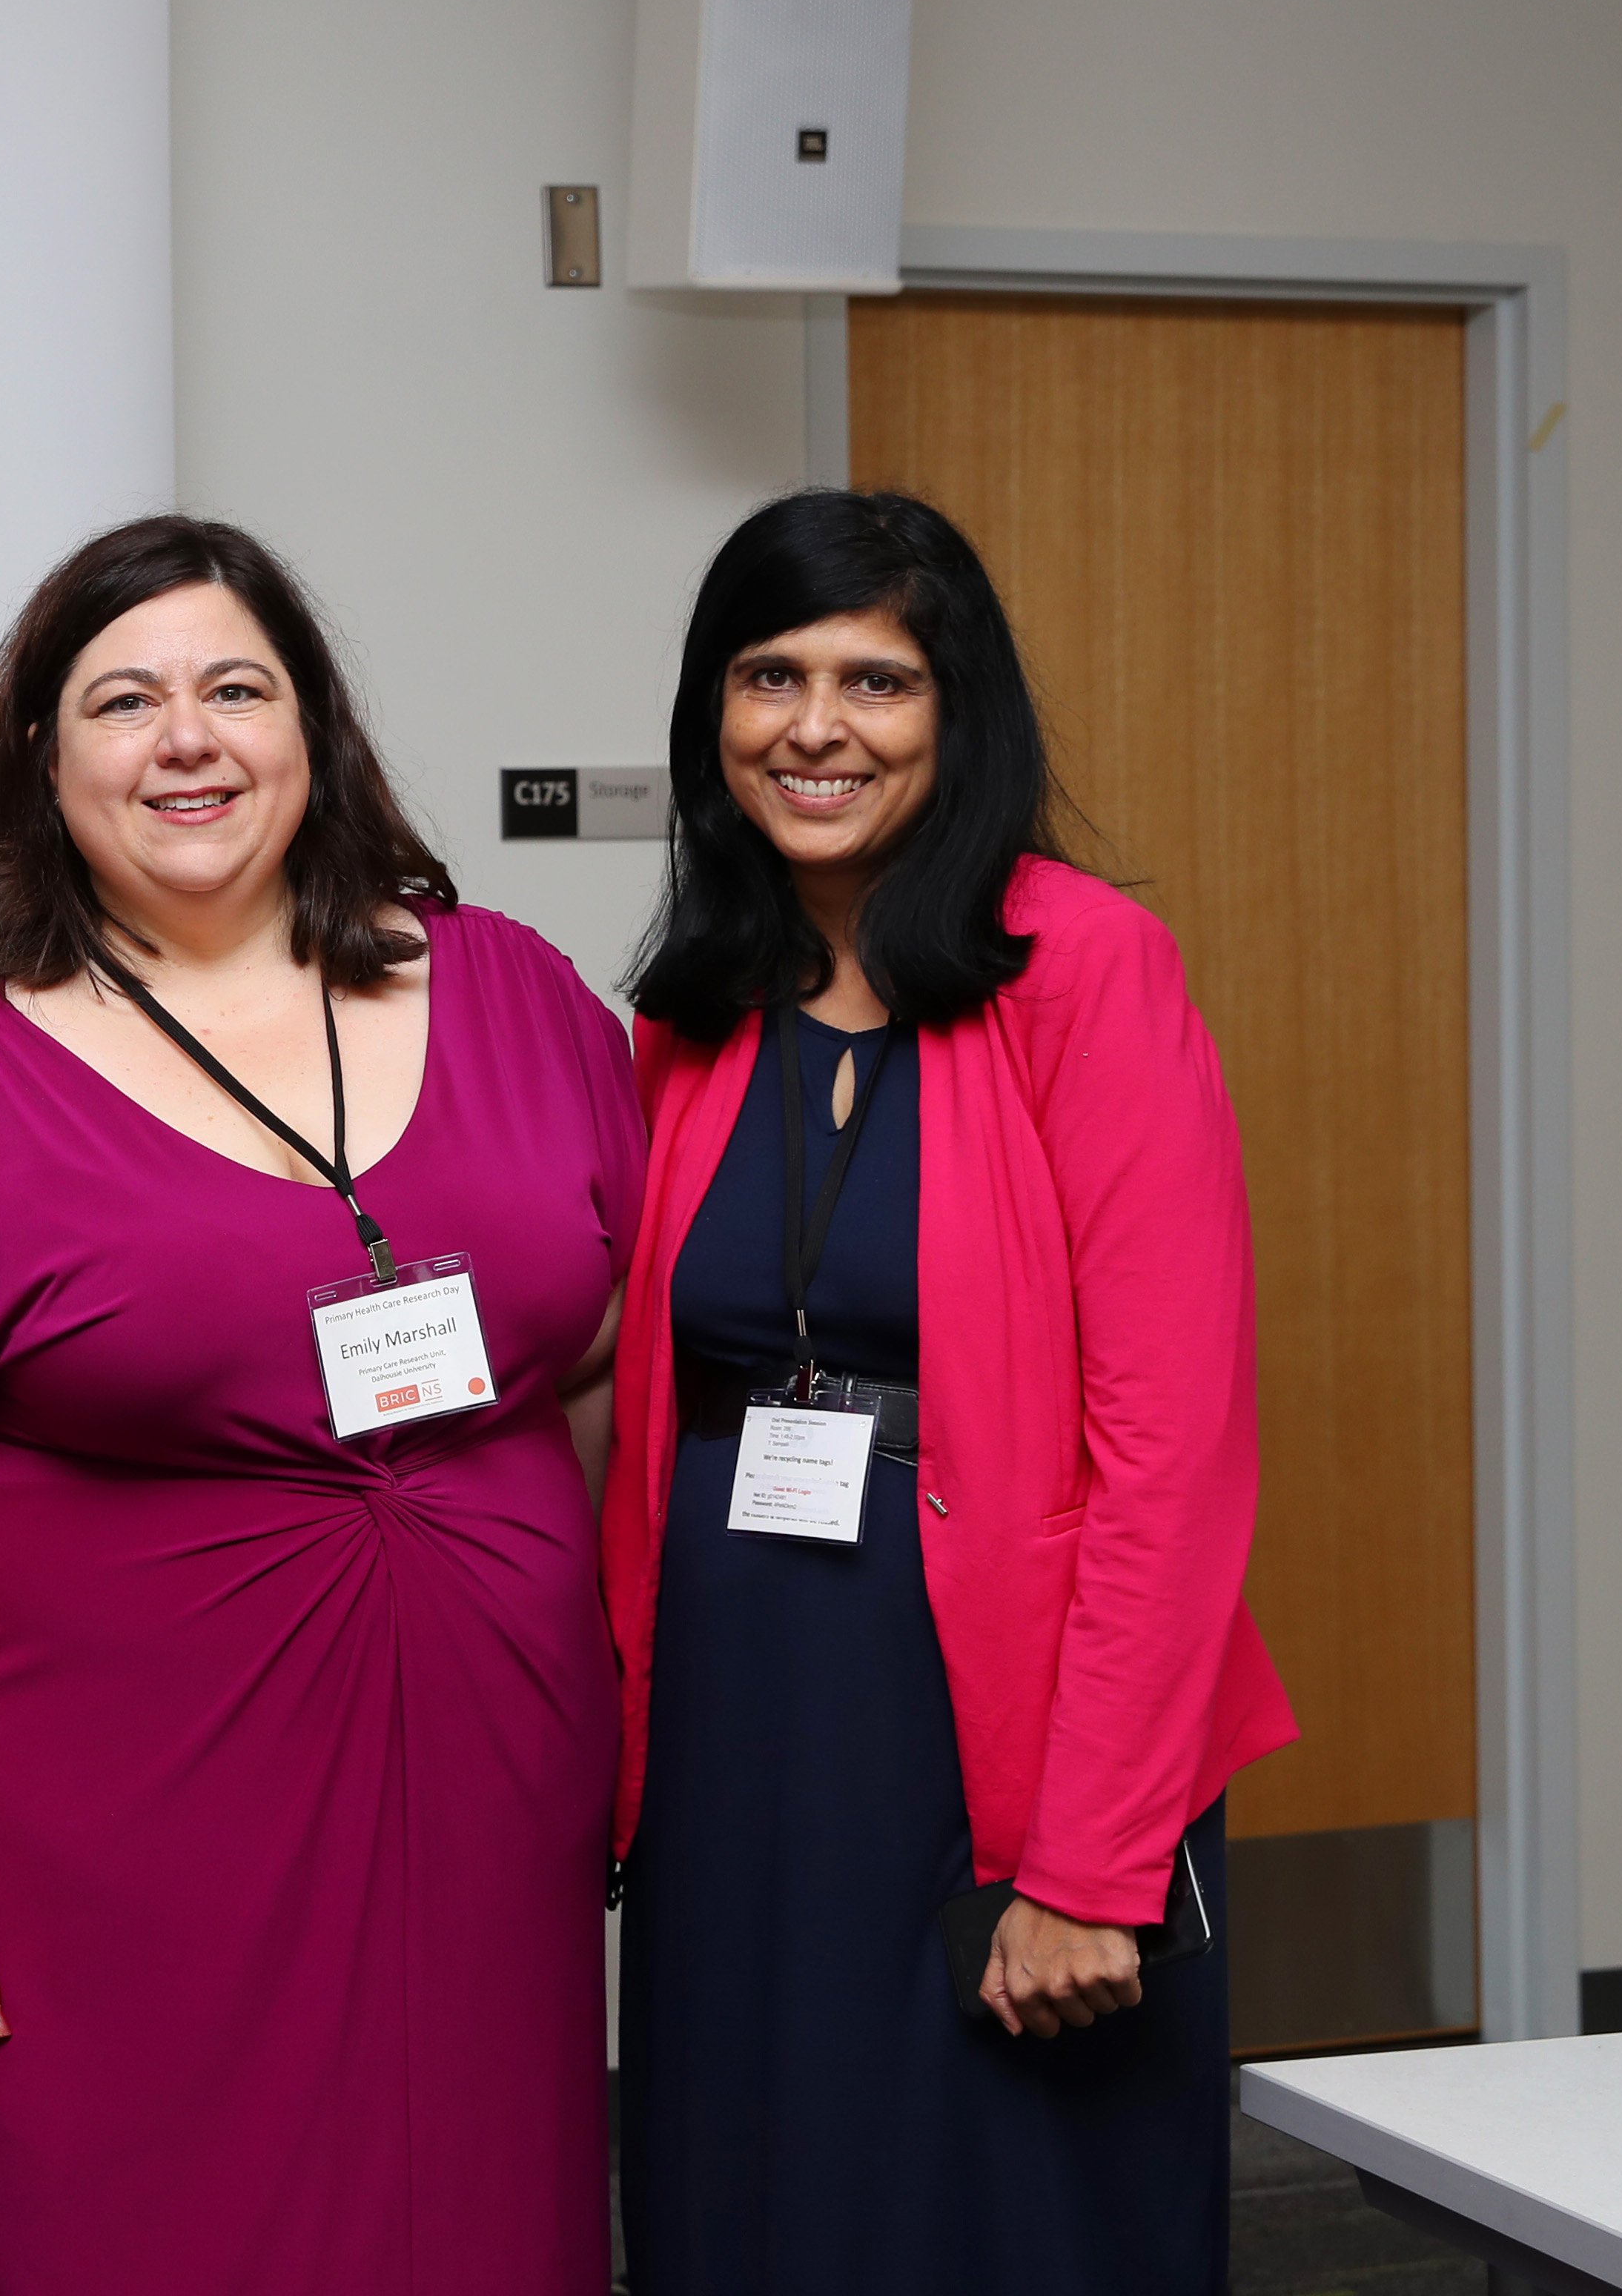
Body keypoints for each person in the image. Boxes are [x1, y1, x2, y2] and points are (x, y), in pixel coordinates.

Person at [0, 514, 641, 2292]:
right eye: (125, 700)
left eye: (237, 688)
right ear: (38, 757)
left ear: (312, 730)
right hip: (105, 1871)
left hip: (485, 1832)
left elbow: (609, 1372)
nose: (189, 739)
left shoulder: (520, 997)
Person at [607, 488, 1298, 2295]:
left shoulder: (1082, 967)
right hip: (739, 1703)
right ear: (712, 713)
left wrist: (1091, 1858)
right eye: (769, 676)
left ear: (955, 710)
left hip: (996, 1704)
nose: (816, 727)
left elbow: (1177, 1450)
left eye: (877, 681)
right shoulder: (696, 1001)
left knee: (1002, 2202)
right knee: (753, 2170)